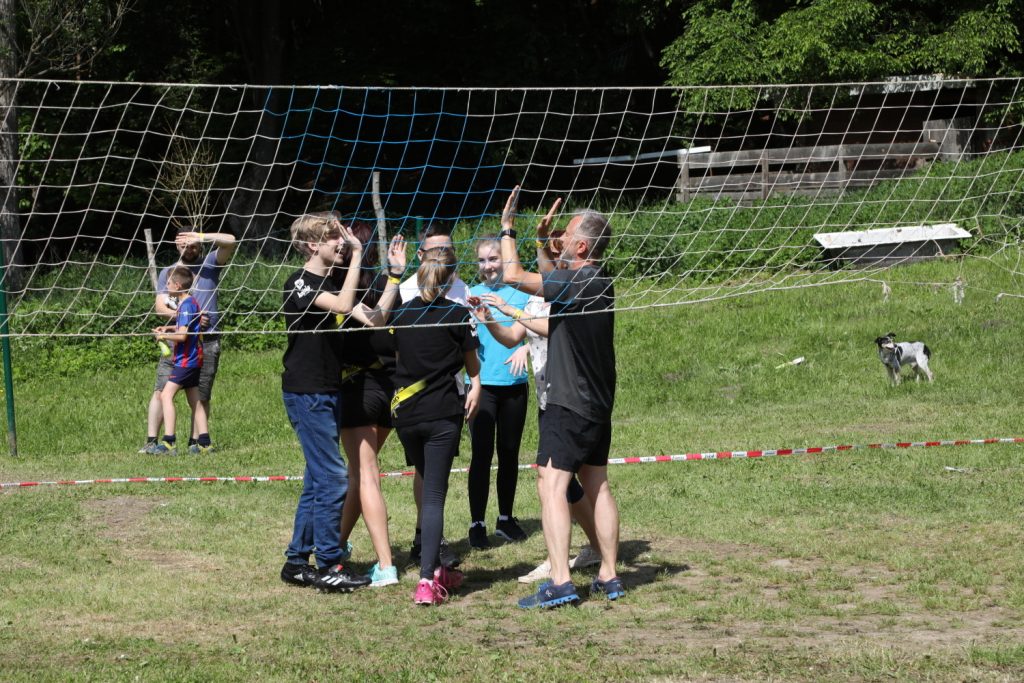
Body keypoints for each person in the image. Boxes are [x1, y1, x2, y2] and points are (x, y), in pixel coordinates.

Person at [496, 187, 624, 609]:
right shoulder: (597, 282)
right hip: (597, 402)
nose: (560, 238)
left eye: (567, 234)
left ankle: (560, 582)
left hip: (568, 400)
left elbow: (513, 276)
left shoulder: (577, 281)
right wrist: (542, 242)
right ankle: (609, 574)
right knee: (597, 486)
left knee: (552, 485)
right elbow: (552, 291)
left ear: (582, 246)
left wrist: (508, 228)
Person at [472, 281, 603, 584]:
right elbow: (510, 337)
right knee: (561, 482)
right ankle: (595, 548)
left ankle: (558, 563)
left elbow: (555, 328)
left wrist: (511, 310)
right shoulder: (533, 301)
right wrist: (489, 319)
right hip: (549, 400)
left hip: (570, 398)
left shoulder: (571, 294)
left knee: (554, 481)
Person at [278, 212, 371, 594]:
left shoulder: (329, 282)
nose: (342, 243)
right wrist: (358, 254)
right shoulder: (300, 282)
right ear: (312, 244)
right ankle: (330, 562)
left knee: (317, 480)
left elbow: (371, 316)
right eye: (334, 237)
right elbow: (345, 305)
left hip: (327, 390)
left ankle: (297, 562)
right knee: (333, 478)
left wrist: (397, 281)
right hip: (307, 393)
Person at [391, 246, 481, 605]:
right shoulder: (457, 314)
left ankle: (438, 569)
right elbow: (473, 367)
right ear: (451, 278)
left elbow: (400, 359)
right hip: (442, 414)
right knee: (433, 497)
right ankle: (427, 579)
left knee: (428, 483)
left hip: (407, 416)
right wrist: (477, 387)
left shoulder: (401, 314)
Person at [334, 222, 408, 588]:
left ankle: (385, 565)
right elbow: (389, 327)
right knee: (358, 475)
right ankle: (336, 546)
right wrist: (394, 277)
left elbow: (375, 320)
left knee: (365, 475)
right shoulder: (382, 283)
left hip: (359, 388)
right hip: (390, 390)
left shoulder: (340, 287)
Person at [398, 223, 466, 568]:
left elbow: (469, 344)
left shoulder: (461, 291)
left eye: (447, 250)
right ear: (421, 255)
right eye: (436, 250)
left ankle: (428, 543)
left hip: (447, 395)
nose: (442, 255)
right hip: (421, 401)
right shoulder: (404, 294)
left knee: (435, 478)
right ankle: (429, 546)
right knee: (428, 480)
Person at [139, 229, 237, 455]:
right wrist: (188, 318)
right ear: (177, 244)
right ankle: (152, 441)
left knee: (200, 396)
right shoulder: (169, 273)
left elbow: (231, 241)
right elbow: (160, 307)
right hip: (178, 345)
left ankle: (193, 443)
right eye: (185, 245)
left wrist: (200, 236)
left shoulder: (210, 263)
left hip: (205, 342)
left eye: (193, 245)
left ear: (199, 246)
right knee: (161, 391)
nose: (189, 249)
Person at [464, 235, 533, 549]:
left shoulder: (522, 292)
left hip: (514, 385)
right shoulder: (470, 294)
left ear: (505, 260)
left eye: (493, 259)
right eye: (482, 260)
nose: (488, 265)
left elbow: (542, 329)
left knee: (509, 453)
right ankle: (477, 523)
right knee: (481, 454)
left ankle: (505, 519)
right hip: (481, 386)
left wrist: (526, 348)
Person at [150, 266, 208, 456]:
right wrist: (168, 329)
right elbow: (187, 327)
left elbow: (183, 336)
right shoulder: (191, 302)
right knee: (195, 402)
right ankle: (205, 443)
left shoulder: (185, 305)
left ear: (177, 285)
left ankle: (169, 442)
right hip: (195, 360)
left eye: (168, 283)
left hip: (185, 361)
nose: (166, 286)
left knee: (166, 396)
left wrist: (163, 337)